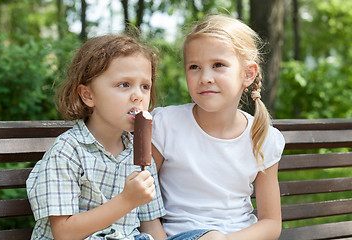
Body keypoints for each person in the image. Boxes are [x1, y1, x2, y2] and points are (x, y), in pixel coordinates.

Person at [152, 15, 285, 240]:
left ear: (248, 74)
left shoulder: (263, 137)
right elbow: (143, 208)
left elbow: (271, 223)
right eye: (194, 67)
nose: (205, 77)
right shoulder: (165, 125)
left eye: (218, 65)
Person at [26, 35, 166, 240]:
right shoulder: (67, 151)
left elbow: (151, 227)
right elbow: (63, 233)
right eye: (124, 84)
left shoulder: (141, 154)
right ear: (88, 95)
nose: (138, 96)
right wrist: (127, 200)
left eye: (145, 86)